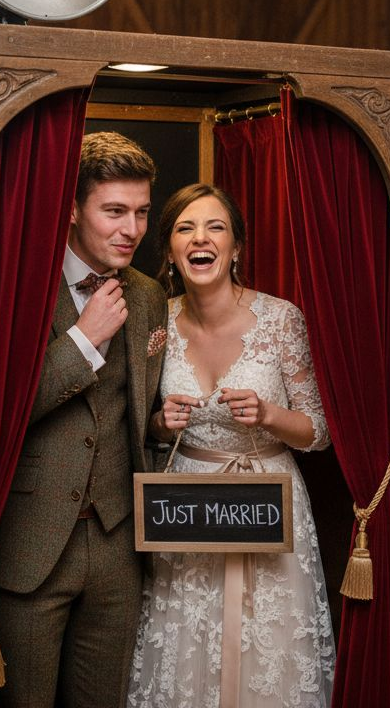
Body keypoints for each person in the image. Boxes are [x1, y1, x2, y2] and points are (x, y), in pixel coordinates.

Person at [128, 183, 335, 708]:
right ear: (170, 251)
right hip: (186, 508)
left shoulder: (282, 320)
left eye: (215, 227)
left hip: (268, 503)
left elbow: (319, 431)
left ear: (236, 247)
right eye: (185, 228)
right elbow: (135, 423)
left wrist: (268, 415)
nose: (201, 238)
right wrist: (161, 423)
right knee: (186, 650)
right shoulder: (155, 324)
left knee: (267, 653)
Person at [0, 131, 169, 707]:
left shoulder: (148, 295)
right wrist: (83, 341)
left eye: (141, 212)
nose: (131, 229)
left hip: (119, 545)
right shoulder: (18, 288)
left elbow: (136, 412)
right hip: (30, 543)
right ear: (70, 209)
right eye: (114, 211)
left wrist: (161, 426)